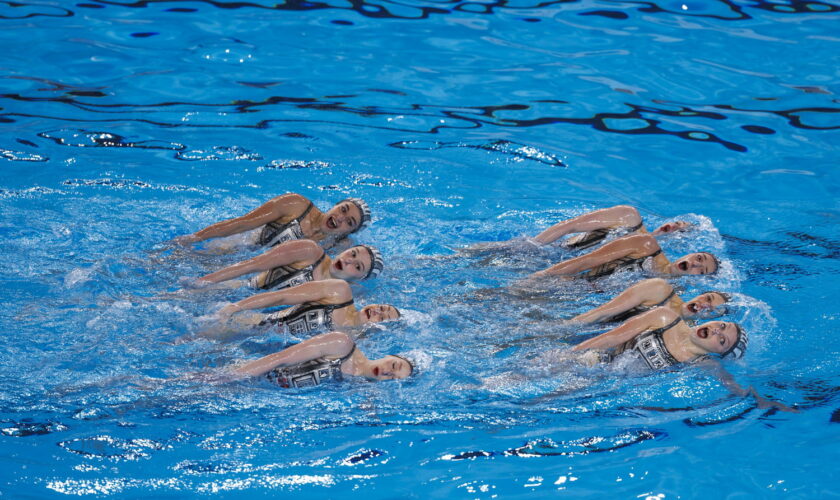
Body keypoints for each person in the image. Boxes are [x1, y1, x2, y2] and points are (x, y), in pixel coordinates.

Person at [203, 279, 400, 339]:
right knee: (195, 336)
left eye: (382, 318)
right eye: (382, 307)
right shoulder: (339, 294)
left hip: (260, 347)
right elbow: (281, 296)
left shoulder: (356, 340)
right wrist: (236, 306)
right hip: (252, 323)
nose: (377, 312)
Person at [572, 306, 745, 369]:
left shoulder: (703, 363)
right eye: (722, 325)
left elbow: (731, 385)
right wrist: (573, 354)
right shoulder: (666, 318)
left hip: (609, 389)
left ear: (719, 353)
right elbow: (612, 337)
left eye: (722, 341)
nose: (717, 331)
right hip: (596, 360)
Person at [175, 193, 371, 248]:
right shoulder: (295, 205)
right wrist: (194, 238)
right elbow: (242, 223)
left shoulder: (339, 245)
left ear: (348, 232)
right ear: (335, 205)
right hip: (237, 248)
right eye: (343, 209)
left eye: (349, 222)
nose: (340, 218)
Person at [228, 331, 413, 387]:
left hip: (257, 391)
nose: (388, 371)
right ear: (389, 355)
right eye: (394, 365)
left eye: (393, 378)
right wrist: (232, 377)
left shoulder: (361, 388)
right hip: (245, 372)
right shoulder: (342, 344)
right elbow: (280, 358)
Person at [191, 240, 384, 291]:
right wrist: (204, 281)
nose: (349, 260)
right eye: (352, 253)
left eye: (357, 267)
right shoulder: (309, 251)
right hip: (240, 289)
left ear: (359, 279)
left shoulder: (345, 294)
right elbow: (253, 264)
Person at [532, 233, 719, 280]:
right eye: (699, 258)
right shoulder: (646, 246)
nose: (695, 265)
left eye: (701, 271)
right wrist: (540, 277)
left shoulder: (671, 293)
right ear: (691, 253)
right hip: (566, 281)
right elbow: (586, 261)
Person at [570, 278, 729, 324]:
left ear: (710, 319)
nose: (705, 305)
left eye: (712, 309)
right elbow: (601, 313)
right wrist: (565, 328)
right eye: (708, 298)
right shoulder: (660, 290)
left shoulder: (686, 333)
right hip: (579, 319)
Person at [534, 205, 690, 249]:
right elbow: (569, 226)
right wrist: (532, 246)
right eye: (676, 223)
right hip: (546, 252)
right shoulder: (629, 217)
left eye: (680, 231)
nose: (673, 228)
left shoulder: (647, 258)